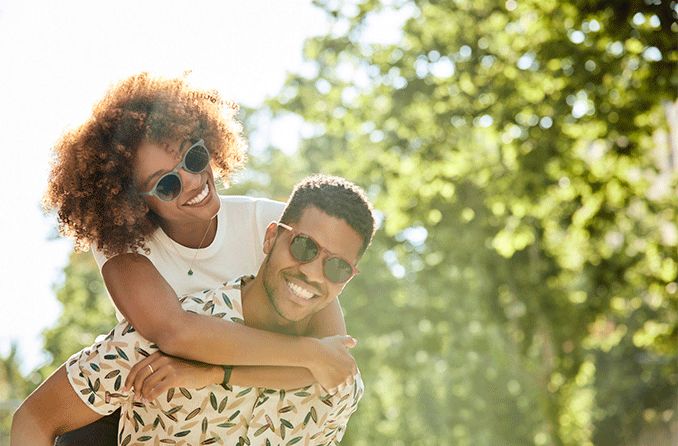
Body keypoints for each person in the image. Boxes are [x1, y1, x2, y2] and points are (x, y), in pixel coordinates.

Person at [31, 73, 358, 444]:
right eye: (166, 183)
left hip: (238, 411)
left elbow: (332, 363)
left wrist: (216, 373)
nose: (191, 181)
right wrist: (306, 354)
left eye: (193, 156)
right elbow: (175, 332)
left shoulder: (274, 227)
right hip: (148, 409)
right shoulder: (124, 253)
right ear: (135, 202)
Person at [11, 174, 376, 445]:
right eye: (304, 247)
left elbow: (330, 366)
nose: (312, 271)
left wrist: (215, 374)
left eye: (337, 267)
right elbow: (35, 417)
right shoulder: (150, 342)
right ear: (271, 237)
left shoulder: (337, 394)